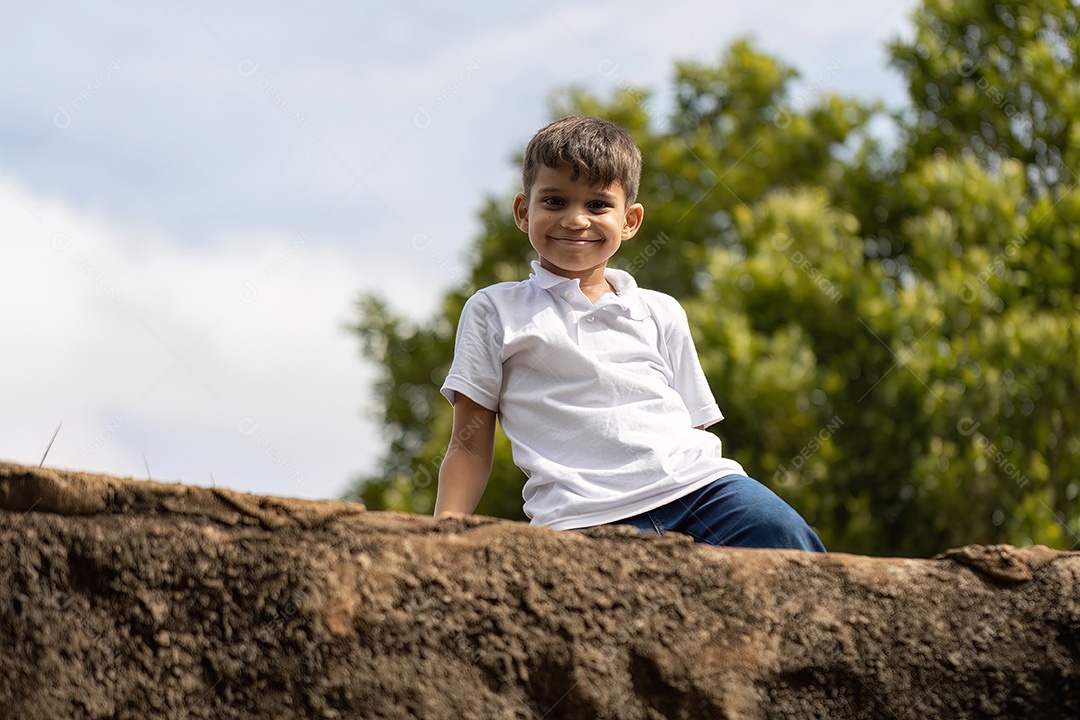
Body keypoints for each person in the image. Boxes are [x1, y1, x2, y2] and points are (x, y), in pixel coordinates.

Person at [433, 115, 824, 552]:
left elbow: (693, 426)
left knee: (784, 535)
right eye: (555, 201)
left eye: (598, 205)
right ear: (524, 212)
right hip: (581, 518)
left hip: (701, 493)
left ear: (630, 220)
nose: (576, 220)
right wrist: (444, 539)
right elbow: (468, 445)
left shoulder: (661, 311)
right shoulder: (494, 310)